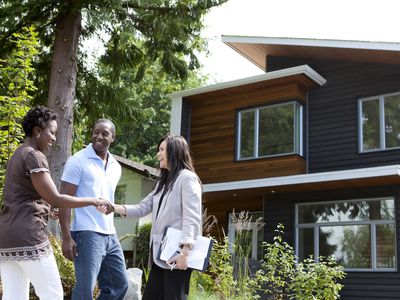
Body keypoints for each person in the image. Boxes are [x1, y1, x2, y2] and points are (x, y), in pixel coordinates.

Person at [0, 105, 110, 300]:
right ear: (37, 131)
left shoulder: (18, 153)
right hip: (28, 234)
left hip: (6, 237)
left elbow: (26, 194)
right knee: (53, 294)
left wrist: (46, 205)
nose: (53, 138)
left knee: (14, 296)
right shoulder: (34, 156)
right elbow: (56, 198)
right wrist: (93, 200)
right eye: (51, 132)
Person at [98, 134, 202, 300]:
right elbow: (142, 208)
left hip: (177, 255)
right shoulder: (164, 183)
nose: (157, 154)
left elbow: (192, 216)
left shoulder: (187, 178)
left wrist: (185, 251)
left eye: (161, 150)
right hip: (161, 256)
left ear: (174, 152)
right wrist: (114, 207)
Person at [59, 118, 129, 300]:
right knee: (85, 290)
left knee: (119, 284)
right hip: (86, 233)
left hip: (110, 234)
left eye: (104, 133)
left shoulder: (116, 166)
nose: (99, 136)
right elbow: (64, 201)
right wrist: (66, 237)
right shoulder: (78, 161)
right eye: (96, 131)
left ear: (113, 137)